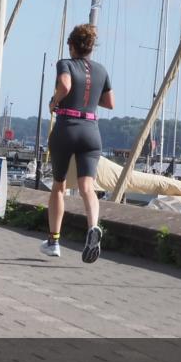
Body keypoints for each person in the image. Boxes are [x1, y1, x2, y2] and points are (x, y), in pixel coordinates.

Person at [42, 24, 115, 262]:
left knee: (59, 186)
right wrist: (90, 96)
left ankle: (54, 241)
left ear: (72, 46)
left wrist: (54, 101)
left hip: (67, 127)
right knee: (87, 188)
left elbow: (65, 85)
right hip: (91, 131)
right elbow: (109, 102)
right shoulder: (102, 70)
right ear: (91, 48)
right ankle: (93, 227)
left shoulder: (66, 63)